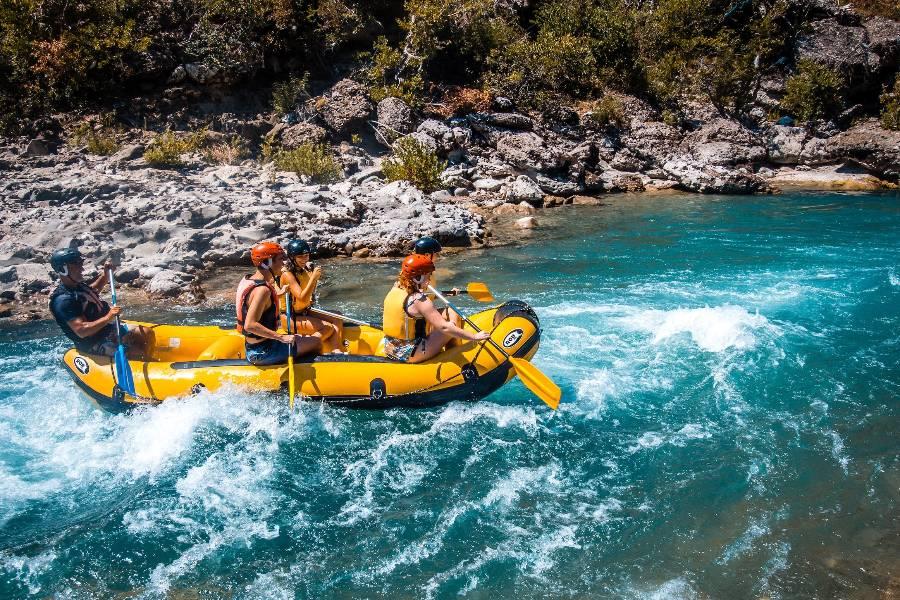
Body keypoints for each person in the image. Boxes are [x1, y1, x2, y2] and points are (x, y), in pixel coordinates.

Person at [382, 254, 489, 363]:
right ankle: (456, 354)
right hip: (409, 354)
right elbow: (444, 328)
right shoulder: (419, 300)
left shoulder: (396, 288)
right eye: (428, 276)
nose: (429, 279)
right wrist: (474, 337)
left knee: (447, 315)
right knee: (450, 327)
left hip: (390, 348)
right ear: (418, 278)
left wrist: (448, 293)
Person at [48, 248, 152, 359]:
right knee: (137, 352)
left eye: (80, 263)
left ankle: (146, 358)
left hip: (105, 330)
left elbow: (93, 291)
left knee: (146, 332)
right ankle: (141, 362)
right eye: (76, 265)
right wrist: (108, 317)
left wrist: (105, 275)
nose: (82, 268)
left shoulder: (77, 287)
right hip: (92, 343)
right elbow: (82, 330)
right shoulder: (63, 300)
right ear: (63, 269)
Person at [236, 241, 321, 365]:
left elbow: (251, 301)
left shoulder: (247, 279)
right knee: (317, 342)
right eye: (280, 259)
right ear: (268, 263)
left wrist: (278, 294)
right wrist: (281, 337)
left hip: (254, 346)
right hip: (264, 351)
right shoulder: (263, 291)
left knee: (304, 339)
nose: (283, 264)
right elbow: (250, 325)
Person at [279, 239, 344, 353]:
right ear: (292, 258)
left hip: (304, 311)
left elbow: (309, 296)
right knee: (327, 327)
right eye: (301, 257)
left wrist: (313, 275)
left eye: (307, 255)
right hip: (290, 318)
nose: (305, 259)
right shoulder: (287, 275)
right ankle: (306, 346)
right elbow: (302, 298)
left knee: (337, 316)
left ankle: (336, 350)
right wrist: (313, 278)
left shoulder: (304, 270)